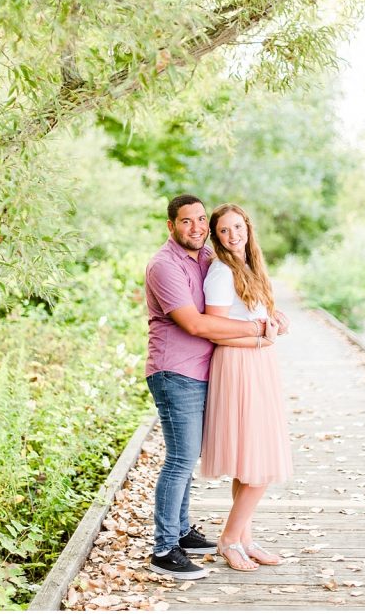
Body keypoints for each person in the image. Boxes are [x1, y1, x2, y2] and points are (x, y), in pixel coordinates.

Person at [145, 194, 274, 580]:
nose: (197, 227)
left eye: (201, 220)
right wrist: (255, 331)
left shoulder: (204, 258)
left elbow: (238, 301)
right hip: (174, 371)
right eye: (187, 221)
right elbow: (197, 325)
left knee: (188, 456)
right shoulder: (164, 266)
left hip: (204, 371)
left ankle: (182, 532)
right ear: (171, 226)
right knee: (181, 459)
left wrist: (267, 315)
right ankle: (165, 548)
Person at [200, 203, 294, 571]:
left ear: (248, 228)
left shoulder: (251, 266)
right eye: (224, 230)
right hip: (239, 365)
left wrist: (274, 321)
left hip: (258, 364)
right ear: (217, 237)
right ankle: (228, 539)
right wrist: (259, 340)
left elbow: (252, 317)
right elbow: (215, 330)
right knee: (262, 463)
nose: (232, 235)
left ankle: (245, 539)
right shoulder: (221, 272)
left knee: (249, 462)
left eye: (237, 227)